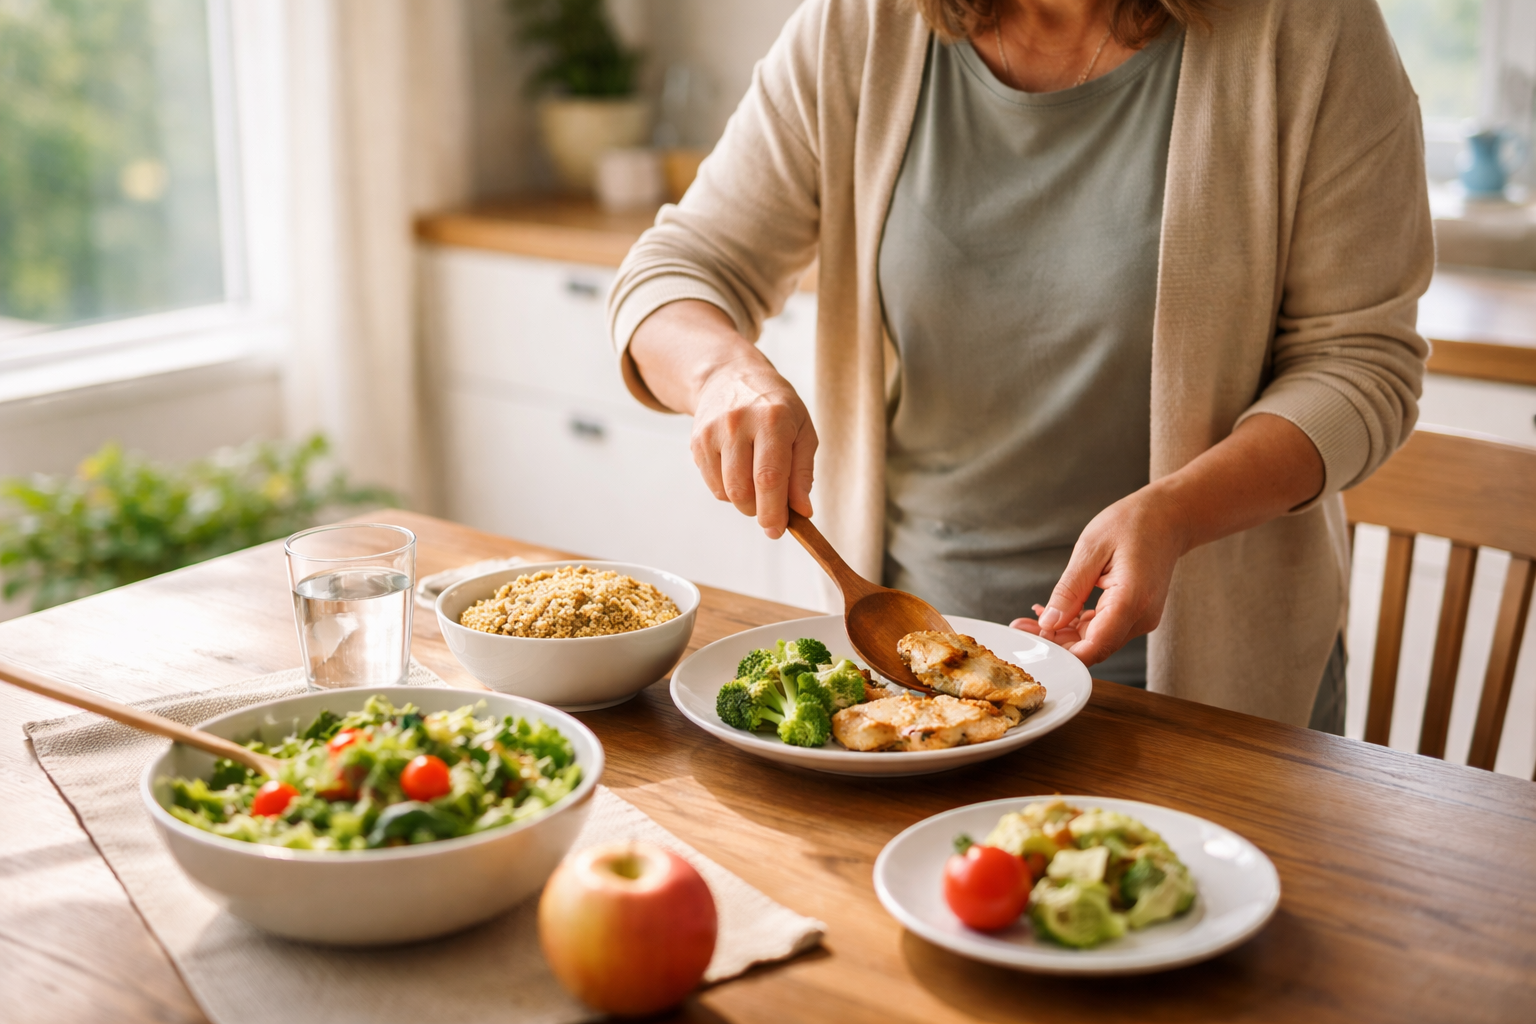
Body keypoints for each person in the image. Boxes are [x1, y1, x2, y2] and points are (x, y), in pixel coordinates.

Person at [606, 0, 1432, 731]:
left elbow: (1361, 362)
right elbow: (681, 267)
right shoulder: (861, 26)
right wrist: (722, 375)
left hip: (1202, 697)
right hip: (910, 672)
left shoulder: (1312, 27)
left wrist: (1178, 512)